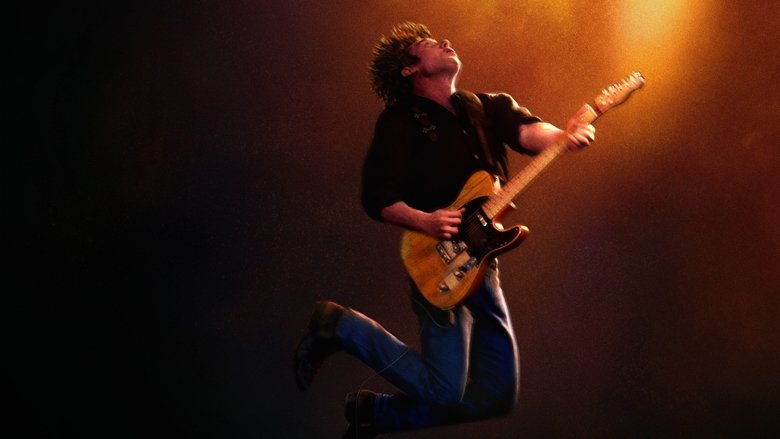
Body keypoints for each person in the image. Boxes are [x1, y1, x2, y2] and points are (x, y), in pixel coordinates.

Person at [294, 22, 595, 438]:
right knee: (446, 392)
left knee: (495, 397)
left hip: (484, 260)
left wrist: (564, 134)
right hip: (437, 260)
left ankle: (374, 414)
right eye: (430, 44)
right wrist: (426, 220)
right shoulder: (400, 121)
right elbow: (376, 196)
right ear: (409, 69)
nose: (446, 42)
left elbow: (527, 131)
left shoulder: (485, 107)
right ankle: (339, 326)